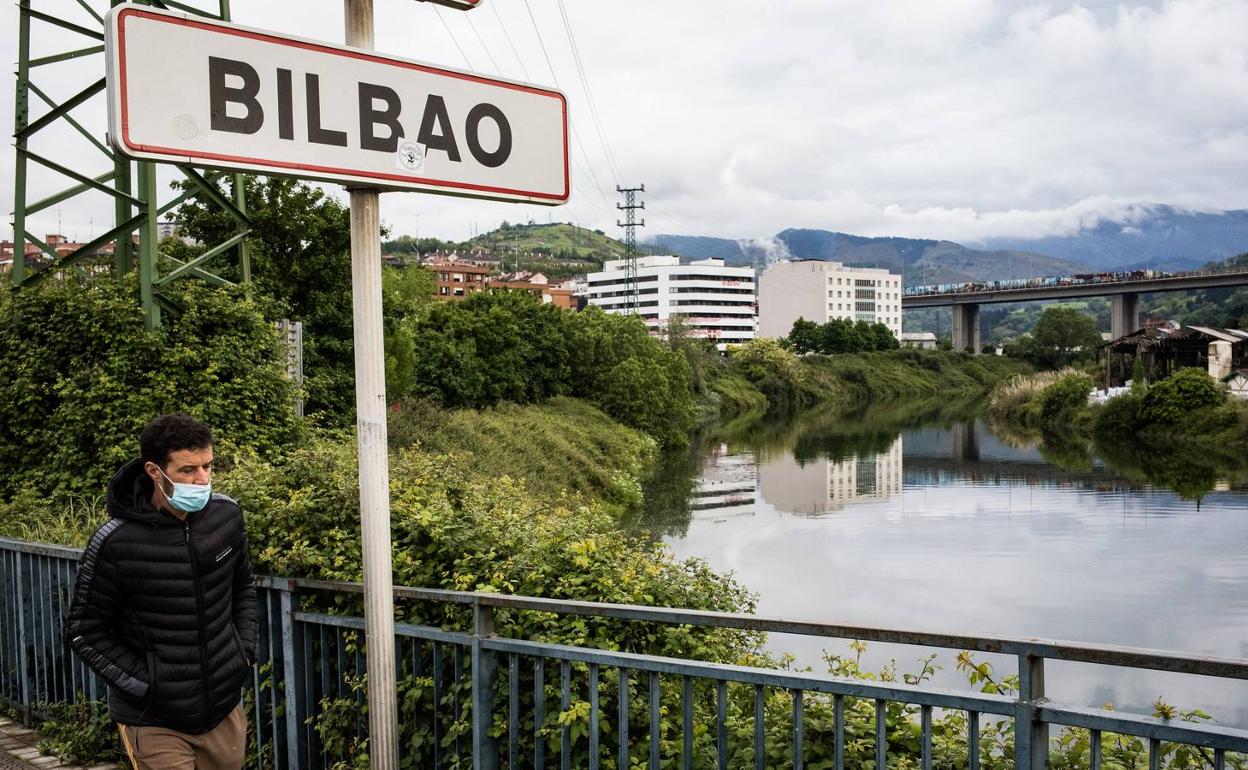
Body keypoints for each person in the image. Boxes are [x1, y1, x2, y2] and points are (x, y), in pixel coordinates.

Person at [64, 414, 256, 770]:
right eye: (187, 470)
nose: (202, 480)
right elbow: (84, 631)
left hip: (223, 708)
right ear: (154, 470)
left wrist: (242, 652)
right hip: (154, 721)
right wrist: (146, 685)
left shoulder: (226, 516)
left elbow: (243, 585)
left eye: (208, 466)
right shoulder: (115, 542)